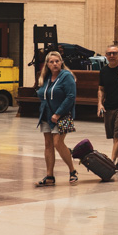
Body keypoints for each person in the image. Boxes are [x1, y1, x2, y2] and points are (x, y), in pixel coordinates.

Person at [35, 50, 79, 187]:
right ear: (47, 64)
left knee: (57, 143)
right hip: (47, 115)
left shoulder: (66, 76)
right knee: (48, 144)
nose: (55, 64)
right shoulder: (47, 78)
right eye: (52, 62)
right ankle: (49, 176)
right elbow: (42, 94)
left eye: (57, 61)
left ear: (61, 62)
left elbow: (71, 97)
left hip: (62, 115)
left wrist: (58, 113)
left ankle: (73, 171)